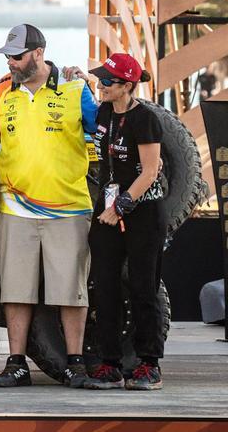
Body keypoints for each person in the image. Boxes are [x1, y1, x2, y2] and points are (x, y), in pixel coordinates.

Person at [0, 24, 98, 388]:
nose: (12, 63)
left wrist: (97, 88)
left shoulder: (74, 87)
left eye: (17, 57)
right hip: (15, 205)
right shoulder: (1, 91)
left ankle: (75, 362)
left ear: (39, 53)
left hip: (68, 206)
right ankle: (16, 362)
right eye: (8, 57)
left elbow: (106, 129)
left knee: (71, 288)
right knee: (16, 288)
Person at [83, 53, 165, 391]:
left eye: (107, 81)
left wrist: (120, 206)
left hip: (142, 211)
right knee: (104, 286)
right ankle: (110, 363)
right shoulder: (104, 110)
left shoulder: (145, 118)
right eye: (100, 79)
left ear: (127, 86)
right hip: (107, 207)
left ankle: (149, 364)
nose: (101, 85)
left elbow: (150, 171)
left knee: (144, 287)